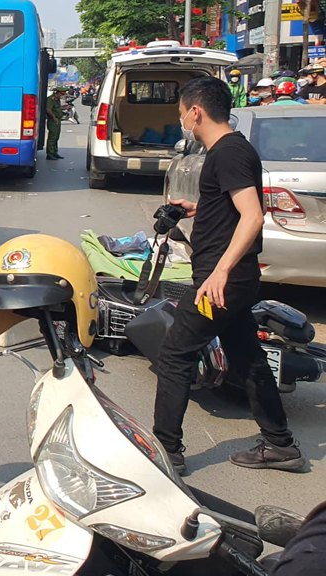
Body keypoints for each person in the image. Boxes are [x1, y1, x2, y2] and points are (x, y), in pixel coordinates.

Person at [154, 76, 305, 475]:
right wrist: (198, 209)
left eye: (182, 113)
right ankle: (281, 446)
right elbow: (234, 210)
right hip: (231, 278)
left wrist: (219, 272)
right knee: (248, 358)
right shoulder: (230, 151)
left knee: (174, 356)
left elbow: (254, 216)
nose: (182, 120)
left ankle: (165, 451)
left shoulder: (228, 153)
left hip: (223, 279)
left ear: (196, 111)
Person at [46, 87, 67, 160]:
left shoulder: (57, 99)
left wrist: (65, 108)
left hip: (58, 120)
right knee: (52, 137)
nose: (62, 95)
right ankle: (50, 153)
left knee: (56, 137)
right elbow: (48, 109)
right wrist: (54, 117)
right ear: (58, 92)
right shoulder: (51, 99)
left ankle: (55, 152)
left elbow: (56, 108)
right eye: (62, 94)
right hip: (53, 120)